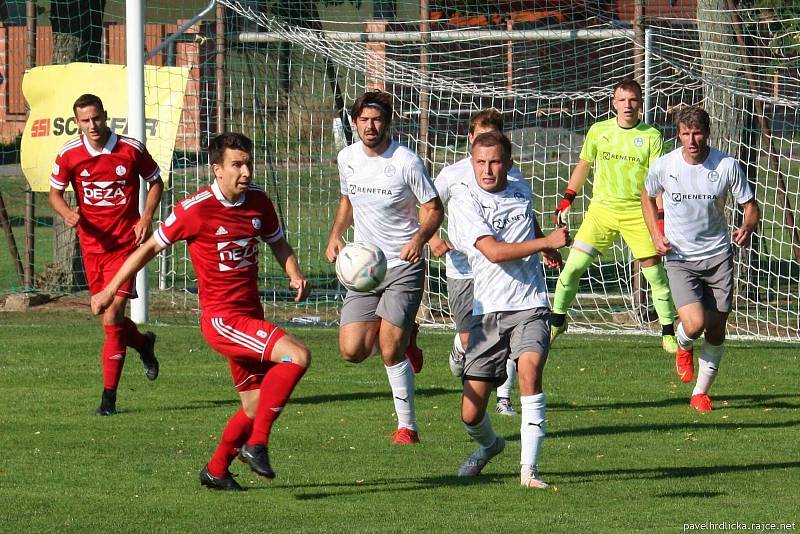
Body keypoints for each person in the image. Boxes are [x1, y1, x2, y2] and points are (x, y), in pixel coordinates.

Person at [91, 132, 311, 491]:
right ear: (217, 169)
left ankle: (216, 470)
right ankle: (257, 445)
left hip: (250, 318)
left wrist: (294, 273)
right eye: (237, 165)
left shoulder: (258, 202)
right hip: (223, 321)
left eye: (248, 164)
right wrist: (110, 289)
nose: (245, 172)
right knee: (298, 355)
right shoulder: (194, 209)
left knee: (254, 406)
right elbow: (148, 249)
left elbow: (278, 242)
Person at [449, 131, 569, 489]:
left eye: (495, 162)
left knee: (530, 372)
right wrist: (545, 242)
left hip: (530, 303)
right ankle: (490, 446)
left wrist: (545, 245)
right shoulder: (466, 201)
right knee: (471, 414)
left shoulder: (521, 188)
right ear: (472, 163)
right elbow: (495, 252)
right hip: (487, 310)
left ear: (509, 163)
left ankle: (529, 472)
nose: (487, 170)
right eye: (480, 162)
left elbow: (525, 220)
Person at [325, 90, 444, 445]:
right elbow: (347, 200)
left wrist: (420, 239)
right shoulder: (347, 158)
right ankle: (406, 335)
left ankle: (407, 427)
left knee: (389, 349)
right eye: (364, 120)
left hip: (403, 264)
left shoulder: (406, 161)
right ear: (355, 123)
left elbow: (434, 208)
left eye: (377, 120)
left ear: (388, 123)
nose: (370, 126)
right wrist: (335, 235)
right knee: (352, 351)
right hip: (365, 267)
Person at [49, 93, 163, 416]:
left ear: (105, 115)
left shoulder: (130, 149)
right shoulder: (70, 155)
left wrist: (146, 216)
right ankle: (142, 344)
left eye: (96, 118)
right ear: (77, 123)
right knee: (107, 319)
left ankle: (108, 401)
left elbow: (156, 181)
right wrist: (67, 214)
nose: (92, 125)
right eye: (85, 120)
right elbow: (54, 195)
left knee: (113, 316)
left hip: (126, 246)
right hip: (92, 247)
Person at [642, 106, 760, 412]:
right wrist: (656, 234)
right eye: (685, 133)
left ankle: (700, 393)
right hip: (680, 258)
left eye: (696, 133)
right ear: (679, 134)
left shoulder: (726, 165)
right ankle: (683, 345)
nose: (691, 140)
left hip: (718, 257)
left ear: (707, 133)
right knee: (694, 324)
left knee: (717, 329)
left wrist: (747, 225)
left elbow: (750, 206)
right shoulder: (665, 165)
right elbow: (646, 195)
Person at [550, 78, 678, 353]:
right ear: (614, 103)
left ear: (640, 103)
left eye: (633, 100)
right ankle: (557, 320)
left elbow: (658, 184)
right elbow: (584, 165)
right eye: (622, 100)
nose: (627, 105)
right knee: (572, 268)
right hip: (601, 212)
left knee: (655, 276)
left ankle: (668, 332)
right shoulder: (599, 131)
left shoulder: (652, 136)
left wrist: (660, 221)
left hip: (637, 213)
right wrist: (567, 199)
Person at [429, 108, 520, 416]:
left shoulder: (511, 175)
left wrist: (542, 245)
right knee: (471, 340)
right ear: (470, 139)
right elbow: (428, 207)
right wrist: (431, 239)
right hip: (463, 270)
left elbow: (525, 214)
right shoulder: (453, 174)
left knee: (507, 334)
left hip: (500, 272)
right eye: (480, 137)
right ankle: (460, 346)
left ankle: (504, 397)